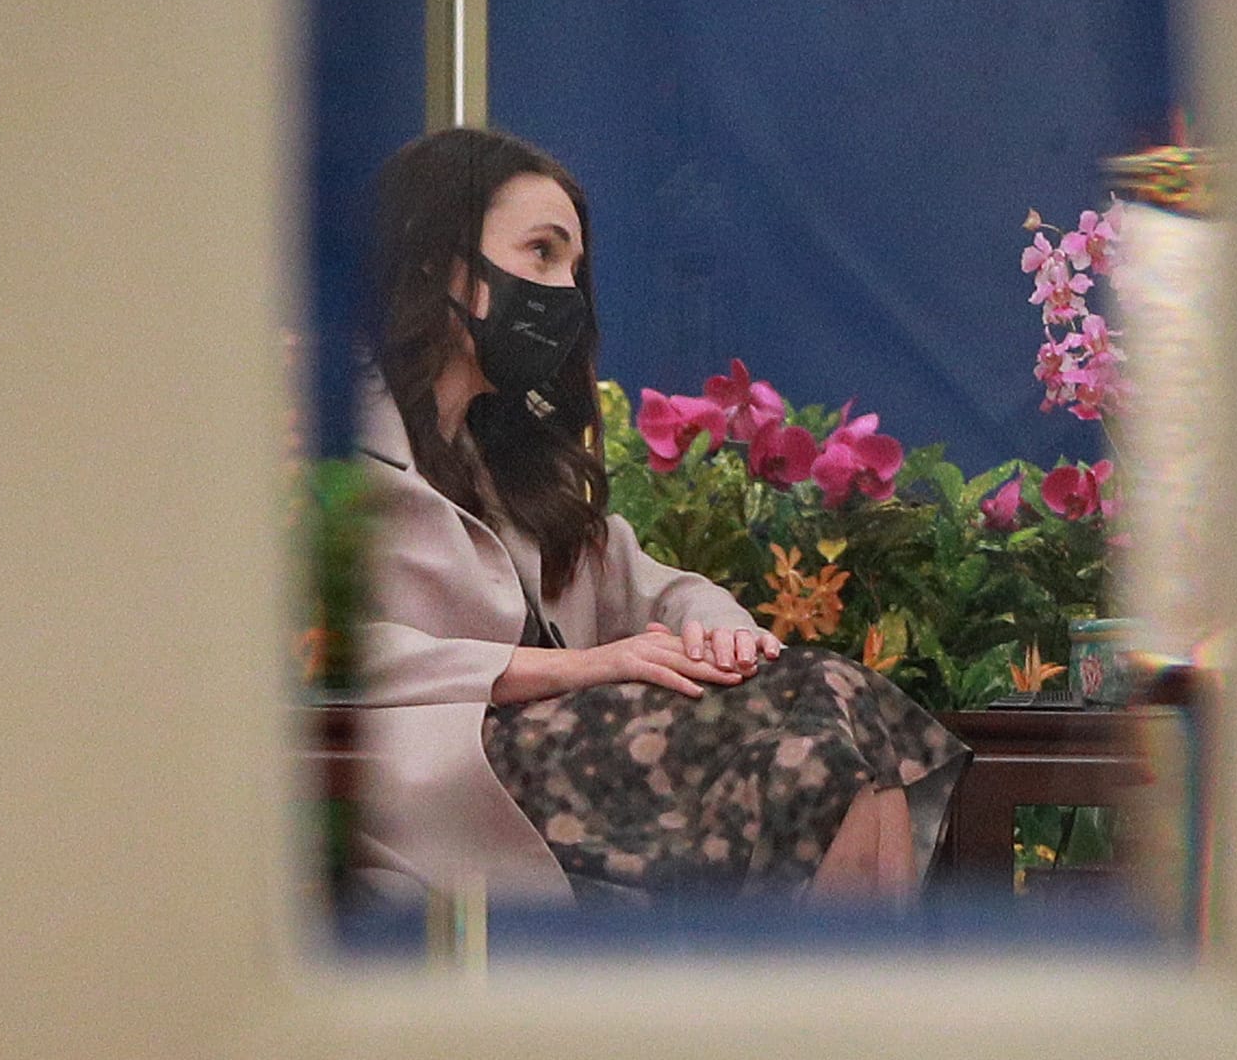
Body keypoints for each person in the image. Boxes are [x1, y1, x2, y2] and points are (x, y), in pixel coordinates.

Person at [340, 126, 958, 905]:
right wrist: (573, 668)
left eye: (575, 266)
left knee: (840, 713)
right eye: (541, 253)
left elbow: (661, 588)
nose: (565, 290)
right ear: (436, 263)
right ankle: (845, 1012)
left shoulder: (510, 466)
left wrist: (720, 630)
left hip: (565, 768)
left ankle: (845, 1005)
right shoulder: (324, 445)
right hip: (426, 784)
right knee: (826, 709)